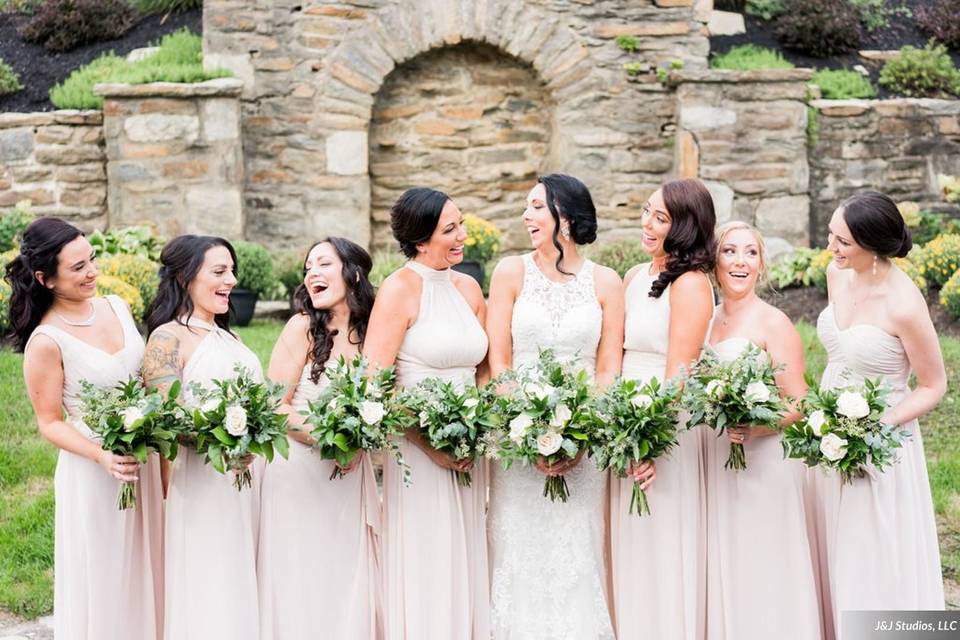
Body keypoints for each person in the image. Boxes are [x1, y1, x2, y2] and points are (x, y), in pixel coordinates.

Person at [10, 217, 163, 640]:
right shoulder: (46, 341)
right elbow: (49, 423)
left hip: (141, 458)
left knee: (146, 564)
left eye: (91, 259)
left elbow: (146, 379)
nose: (92, 271)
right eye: (77, 267)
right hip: (94, 470)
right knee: (106, 571)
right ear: (45, 278)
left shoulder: (117, 306)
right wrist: (102, 456)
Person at [485, 174, 623, 639]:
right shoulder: (509, 272)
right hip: (517, 439)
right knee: (518, 548)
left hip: (583, 444)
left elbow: (607, 371)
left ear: (565, 215)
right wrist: (524, 430)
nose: (526, 216)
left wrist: (580, 434)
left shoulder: (606, 282)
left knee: (576, 551)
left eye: (536, 207)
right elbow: (499, 360)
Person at [812, 191, 945, 639]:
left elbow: (934, 385)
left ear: (873, 245)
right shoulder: (837, 273)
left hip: (880, 442)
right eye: (831, 235)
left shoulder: (903, 303)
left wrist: (875, 427)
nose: (832, 247)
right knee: (834, 541)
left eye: (843, 241)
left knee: (872, 550)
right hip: (830, 433)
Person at [363, 188, 490, 639]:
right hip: (418, 451)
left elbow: (485, 374)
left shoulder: (470, 287)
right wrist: (428, 443)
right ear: (420, 240)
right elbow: (374, 387)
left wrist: (487, 428)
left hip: (472, 449)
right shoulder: (400, 289)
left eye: (461, 224)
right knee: (430, 556)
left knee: (469, 552)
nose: (463, 236)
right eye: (450, 229)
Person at [258, 238, 381, 640]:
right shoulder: (302, 327)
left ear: (354, 272)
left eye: (323, 264)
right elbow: (275, 407)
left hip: (350, 477)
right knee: (300, 570)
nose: (312, 273)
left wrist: (357, 443)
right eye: (308, 267)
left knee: (344, 567)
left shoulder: (376, 331)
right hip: (298, 472)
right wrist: (332, 442)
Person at [141, 235, 263, 640]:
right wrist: (224, 441)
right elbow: (166, 416)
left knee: (244, 573)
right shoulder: (167, 338)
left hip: (248, 479)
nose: (230, 280)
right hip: (201, 480)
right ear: (185, 277)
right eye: (218, 271)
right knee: (210, 578)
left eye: (231, 271)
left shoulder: (233, 339)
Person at [704, 221, 821, 639]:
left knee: (766, 560)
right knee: (728, 560)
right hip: (716, 464)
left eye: (750, 252)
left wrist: (756, 425)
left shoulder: (774, 323)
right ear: (714, 261)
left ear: (761, 264)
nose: (740, 261)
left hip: (765, 465)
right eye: (729, 251)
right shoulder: (705, 320)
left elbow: (801, 401)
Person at [610, 178, 714, 640]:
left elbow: (680, 374)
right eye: (646, 212)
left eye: (660, 218)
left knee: (660, 543)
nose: (647, 224)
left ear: (684, 227)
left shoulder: (691, 285)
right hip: (623, 427)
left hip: (663, 430)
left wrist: (650, 441)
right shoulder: (635, 276)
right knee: (628, 544)